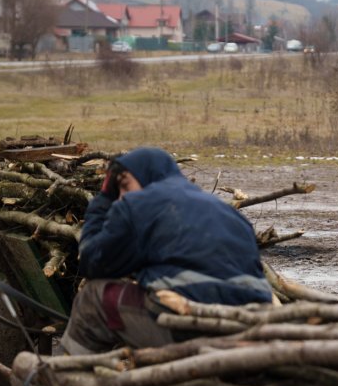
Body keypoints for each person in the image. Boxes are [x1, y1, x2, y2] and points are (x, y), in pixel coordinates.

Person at [59, 146, 272, 354]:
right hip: (250, 324)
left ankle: (57, 380)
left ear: (147, 175)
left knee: (94, 297)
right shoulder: (225, 210)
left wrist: (104, 199)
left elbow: (92, 261)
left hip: (191, 326)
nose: (121, 196)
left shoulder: (137, 204)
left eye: (124, 185)